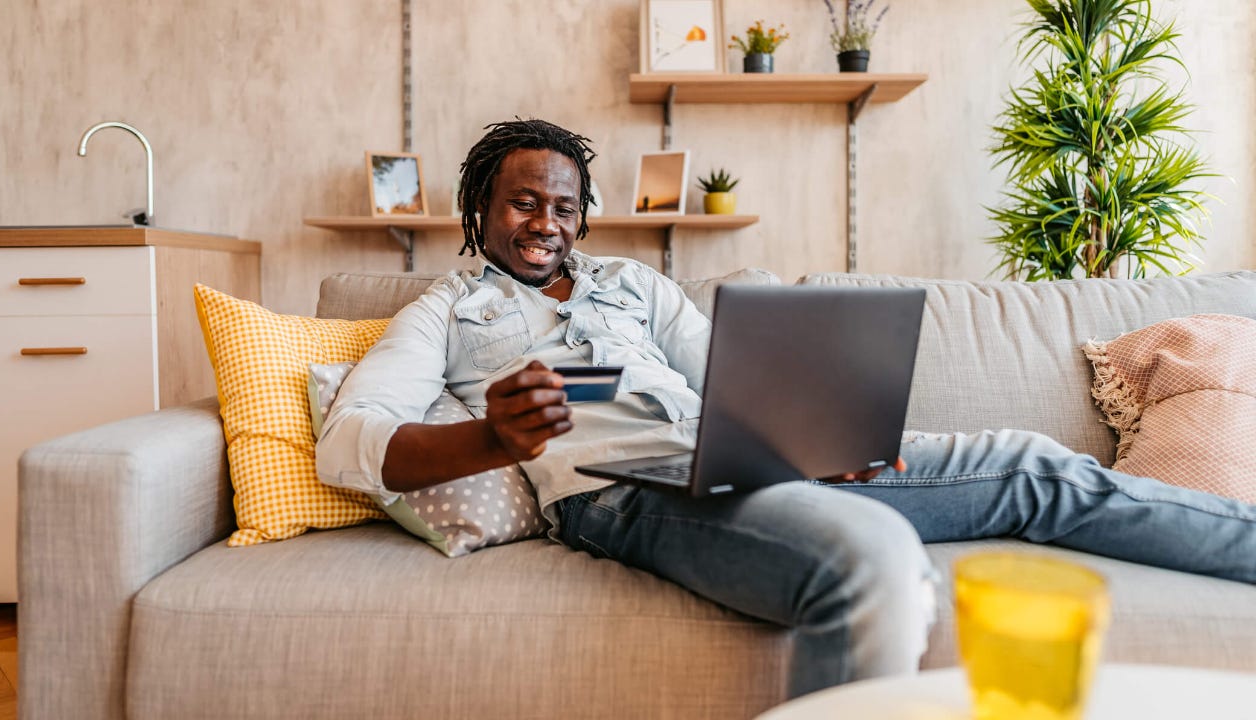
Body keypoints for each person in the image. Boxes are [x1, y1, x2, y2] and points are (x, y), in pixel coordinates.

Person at [316, 118, 1256, 698]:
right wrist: (490, 437)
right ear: (477, 210)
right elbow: (351, 444)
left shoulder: (633, 287)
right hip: (625, 488)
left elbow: (731, 373)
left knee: (1029, 464)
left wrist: (814, 431)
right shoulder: (444, 313)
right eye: (524, 205)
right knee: (873, 560)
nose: (547, 226)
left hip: (749, 456)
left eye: (564, 209)